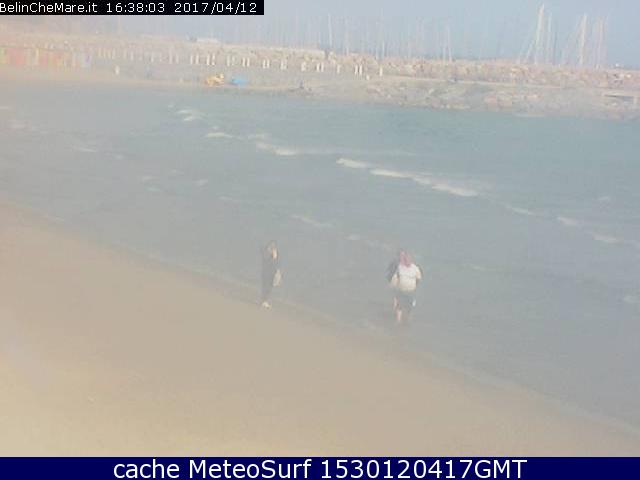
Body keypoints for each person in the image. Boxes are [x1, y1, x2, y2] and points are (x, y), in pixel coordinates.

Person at [390, 251, 422, 325]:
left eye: (409, 259)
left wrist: (413, 286)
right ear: (404, 259)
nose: (407, 260)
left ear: (411, 260)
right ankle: (398, 321)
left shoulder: (415, 268)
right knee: (399, 306)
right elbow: (396, 277)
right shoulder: (400, 267)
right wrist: (394, 286)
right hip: (401, 291)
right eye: (406, 259)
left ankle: (409, 321)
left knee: (410, 308)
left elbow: (418, 279)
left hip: (411, 292)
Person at [260, 241, 281, 309]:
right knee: (267, 287)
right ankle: (264, 301)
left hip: (271, 272)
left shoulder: (272, 253)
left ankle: (264, 301)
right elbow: (271, 262)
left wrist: (277, 271)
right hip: (268, 272)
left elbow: (276, 263)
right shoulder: (268, 252)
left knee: (268, 287)